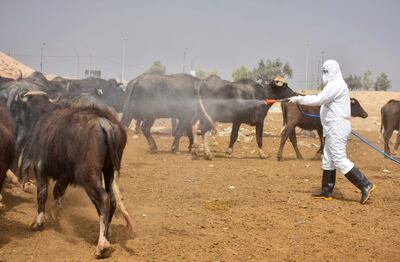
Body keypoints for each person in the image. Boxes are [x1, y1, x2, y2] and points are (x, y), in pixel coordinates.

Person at [289, 60, 376, 204]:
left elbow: (319, 99)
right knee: (328, 159)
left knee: (340, 159)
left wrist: (298, 99)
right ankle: (326, 190)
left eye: (326, 71)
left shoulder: (336, 85)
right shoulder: (332, 85)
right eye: (323, 72)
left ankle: (365, 184)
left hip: (337, 126)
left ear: (334, 71)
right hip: (331, 127)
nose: (324, 75)